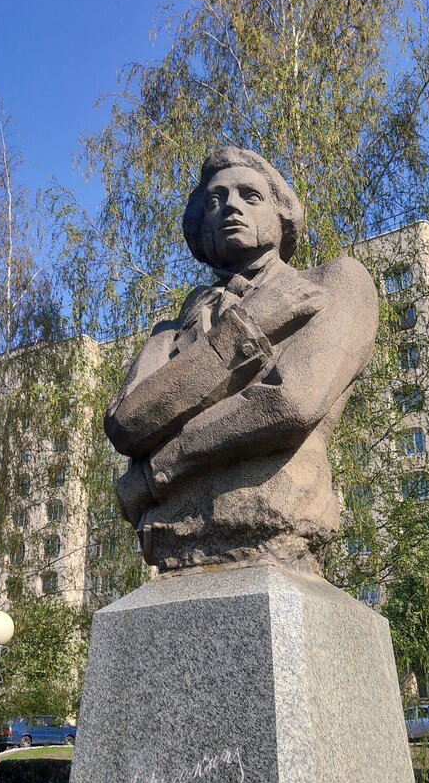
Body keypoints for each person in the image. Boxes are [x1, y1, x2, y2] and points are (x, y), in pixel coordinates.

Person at [105, 147, 378, 573]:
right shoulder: (169, 331)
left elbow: (289, 403)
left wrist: (160, 466)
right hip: (174, 535)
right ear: (200, 230)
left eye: (250, 196)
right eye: (215, 200)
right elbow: (127, 424)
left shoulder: (336, 283)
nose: (231, 206)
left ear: (283, 216)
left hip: (275, 513)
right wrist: (245, 329)